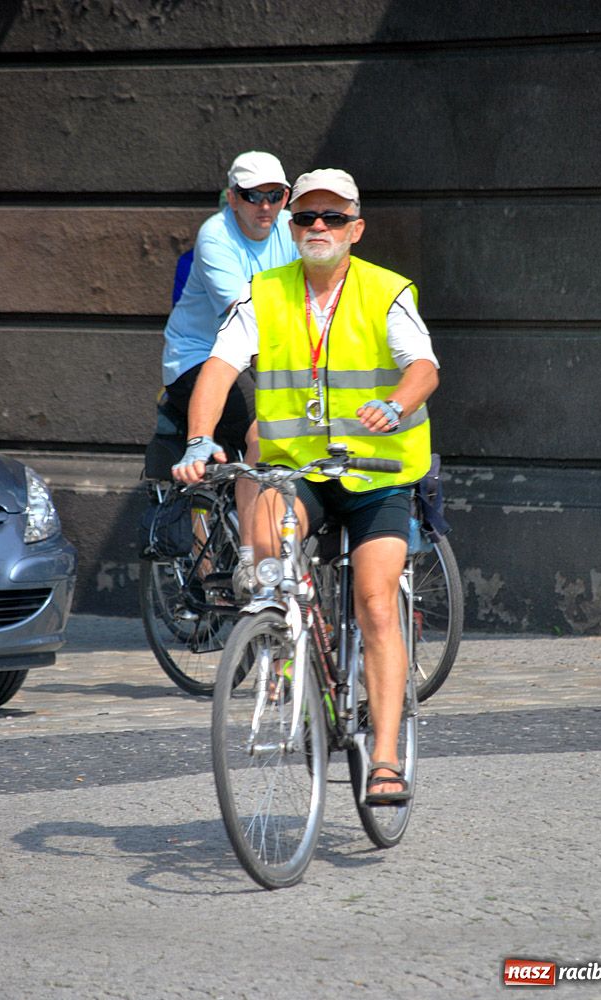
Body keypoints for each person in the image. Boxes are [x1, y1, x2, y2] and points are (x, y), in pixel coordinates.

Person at [173, 168, 439, 804]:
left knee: (375, 600)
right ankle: (283, 641)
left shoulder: (386, 291)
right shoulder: (265, 293)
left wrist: (396, 406)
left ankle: (383, 760)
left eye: (333, 218)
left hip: (379, 475)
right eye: (306, 218)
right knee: (266, 546)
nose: (318, 228)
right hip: (302, 471)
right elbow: (219, 367)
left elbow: (423, 368)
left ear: (356, 228)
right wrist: (199, 439)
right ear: (292, 227)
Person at [164, 150, 300, 591]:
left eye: (275, 195)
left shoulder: (293, 227)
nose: (265, 206)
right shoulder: (215, 236)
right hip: (202, 356)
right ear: (232, 198)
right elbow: (243, 318)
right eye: (252, 195)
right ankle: (248, 560)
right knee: (260, 431)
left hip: (270, 348)